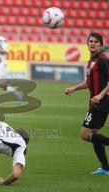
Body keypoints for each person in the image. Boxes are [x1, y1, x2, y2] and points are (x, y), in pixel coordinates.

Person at [65, 32, 109, 175]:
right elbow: (88, 82)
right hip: (96, 101)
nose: (93, 43)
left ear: (101, 45)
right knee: (94, 133)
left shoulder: (103, 59)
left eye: (96, 42)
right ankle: (105, 168)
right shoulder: (91, 61)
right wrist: (74, 88)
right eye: (90, 41)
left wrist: (100, 95)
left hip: (103, 100)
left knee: (85, 134)